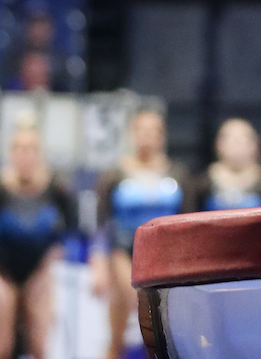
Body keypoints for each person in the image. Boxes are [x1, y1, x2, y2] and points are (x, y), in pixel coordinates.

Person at [92, 110, 190, 359]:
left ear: (162, 136)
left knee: (163, 335)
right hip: (124, 253)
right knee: (127, 324)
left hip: (168, 257)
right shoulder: (113, 175)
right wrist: (99, 262)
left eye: (153, 131)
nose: (147, 137)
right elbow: (101, 223)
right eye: (141, 130)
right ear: (131, 134)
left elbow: (188, 219)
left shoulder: (178, 174)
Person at [0, 127, 74, 359]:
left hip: (39, 273)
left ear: (39, 154)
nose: (25, 155)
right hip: (4, 274)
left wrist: (45, 271)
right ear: (11, 154)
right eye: (20, 149)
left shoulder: (56, 190)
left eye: (31, 149)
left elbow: (69, 233)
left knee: (39, 346)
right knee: (1, 347)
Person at [196, 119, 261, 211]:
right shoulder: (202, 183)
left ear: (256, 145)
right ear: (217, 144)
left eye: (243, 139)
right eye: (229, 138)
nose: (236, 144)